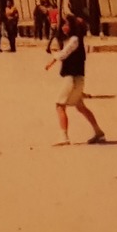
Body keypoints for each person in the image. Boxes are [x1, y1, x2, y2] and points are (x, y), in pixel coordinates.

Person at [45, 14, 105, 145]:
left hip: (71, 78)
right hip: (78, 78)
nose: (63, 27)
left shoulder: (74, 40)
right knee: (80, 106)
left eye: (65, 24)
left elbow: (63, 54)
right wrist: (53, 60)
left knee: (59, 105)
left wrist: (54, 55)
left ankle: (63, 136)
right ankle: (99, 132)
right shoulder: (73, 40)